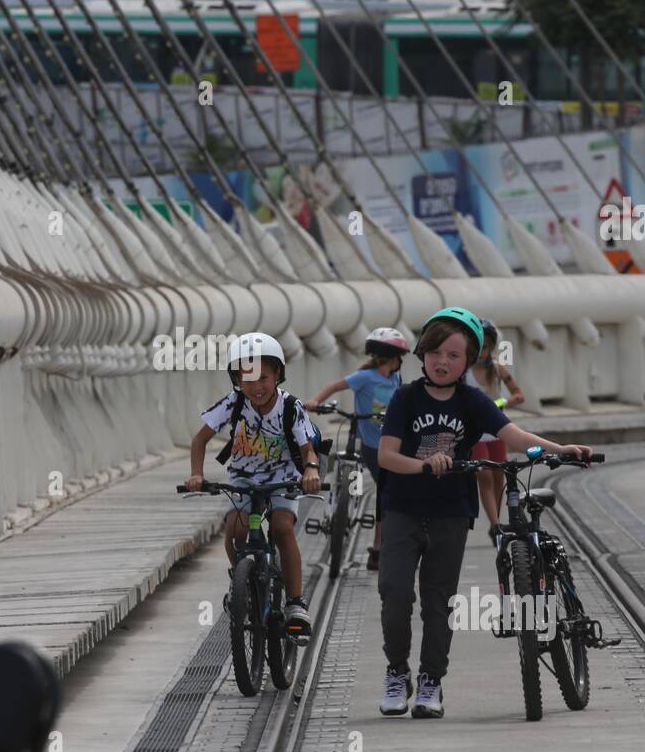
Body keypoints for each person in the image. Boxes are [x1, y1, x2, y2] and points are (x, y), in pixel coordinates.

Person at [375, 307, 593, 718]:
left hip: (451, 514)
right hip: (402, 510)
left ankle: (430, 682)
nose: (443, 362)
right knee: (395, 595)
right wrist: (424, 465)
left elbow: (513, 435)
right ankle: (396, 671)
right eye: (436, 352)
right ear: (422, 353)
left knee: (438, 602)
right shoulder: (405, 397)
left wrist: (560, 449)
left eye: (454, 356)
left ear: (469, 361)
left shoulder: (472, 400)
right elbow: (387, 456)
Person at [186, 332, 321, 644]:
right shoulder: (234, 404)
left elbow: (307, 449)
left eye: (264, 378)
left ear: (277, 376)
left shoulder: (290, 407)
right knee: (235, 530)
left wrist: (311, 470)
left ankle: (295, 603)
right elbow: (199, 439)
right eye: (247, 380)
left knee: (283, 528)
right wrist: (196, 474)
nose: (256, 387)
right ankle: (243, 582)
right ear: (237, 380)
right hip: (244, 480)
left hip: (283, 479)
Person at [306, 327, 410, 571]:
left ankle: (378, 547)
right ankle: (361, 530)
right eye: (399, 358)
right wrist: (315, 401)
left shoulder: (395, 380)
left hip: (392, 443)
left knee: (387, 494)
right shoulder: (365, 377)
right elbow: (333, 386)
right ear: (392, 359)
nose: (400, 363)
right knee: (384, 490)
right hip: (372, 445)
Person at [464, 318, 526, 545]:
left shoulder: (498, 369)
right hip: (474, 431)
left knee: (500, 474)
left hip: (497, 428)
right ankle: (494, 522)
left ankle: (495, 521)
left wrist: (502, 403)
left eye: (485, 347)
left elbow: (519, 395)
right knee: (484, 474)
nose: (481, 351)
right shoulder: (464, 371)